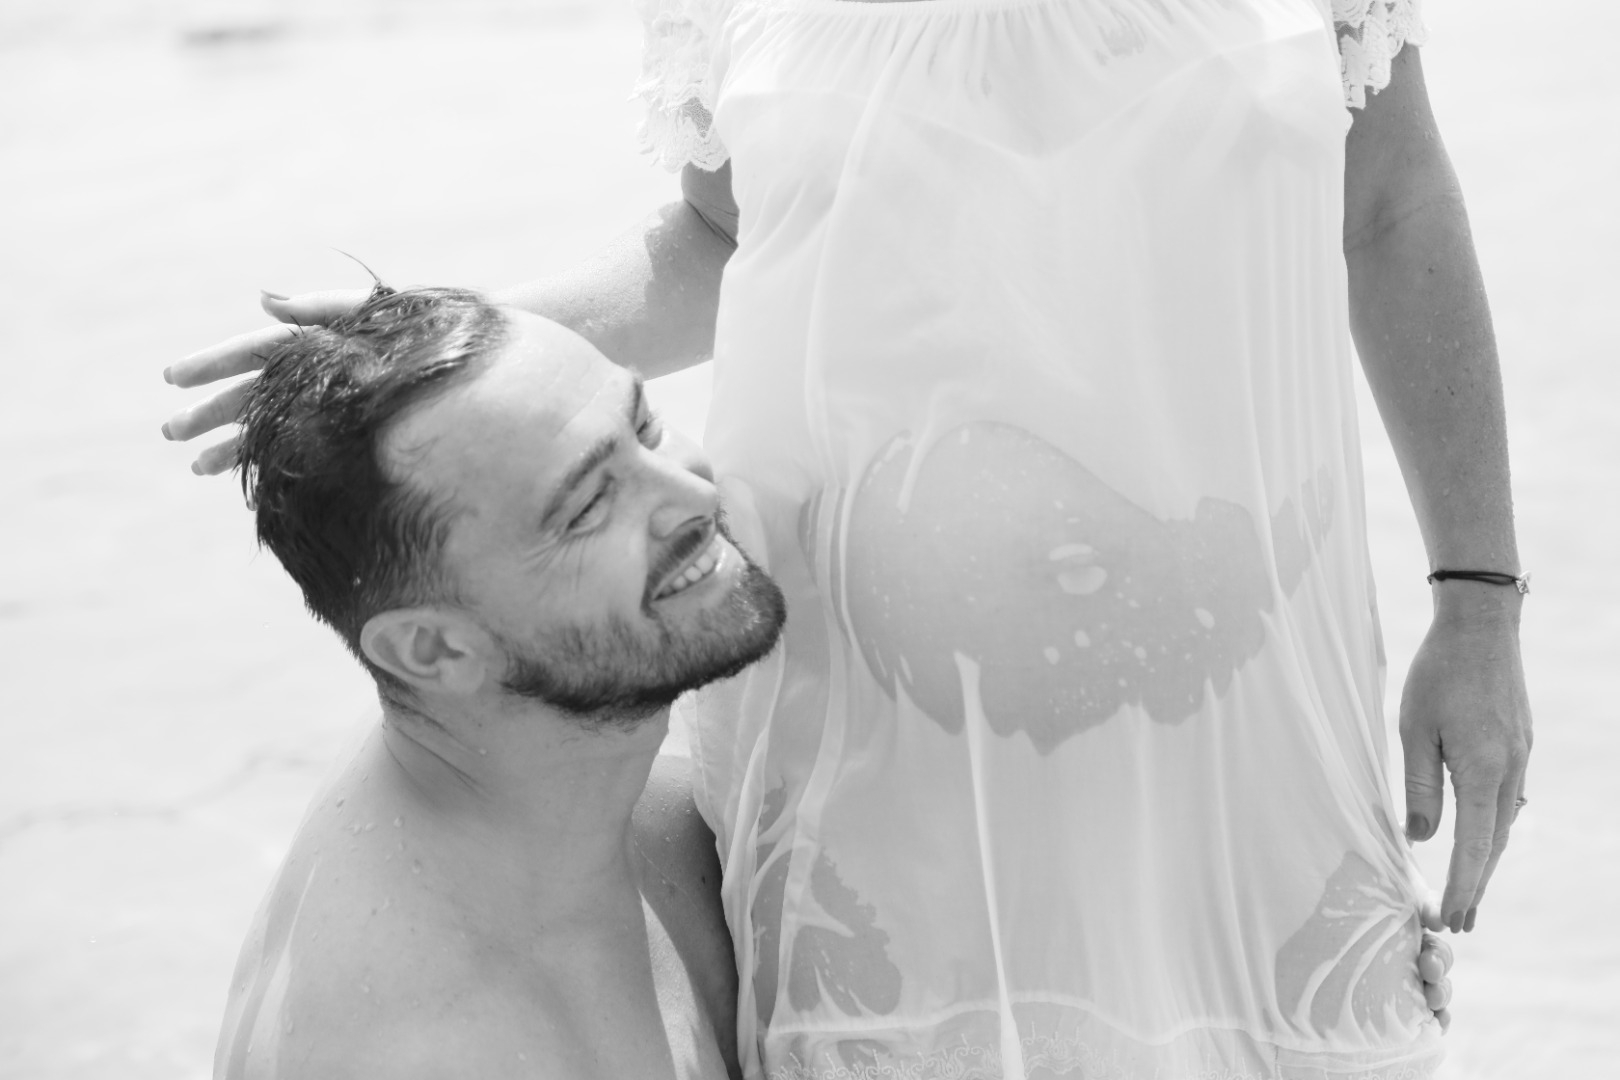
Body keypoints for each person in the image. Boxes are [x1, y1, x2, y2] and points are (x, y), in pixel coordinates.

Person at [166, 1, 1511, 1076]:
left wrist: (1479, 600)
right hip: (863, 733)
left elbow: (1392, 206)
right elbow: (719, 243)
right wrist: (430, 369)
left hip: (1249, 700)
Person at [210, 284, 787, 1079]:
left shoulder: (549, 781)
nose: (693, 493)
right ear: (433, 650)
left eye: (644, 425)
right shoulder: (446, 1043)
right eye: (588, 507)